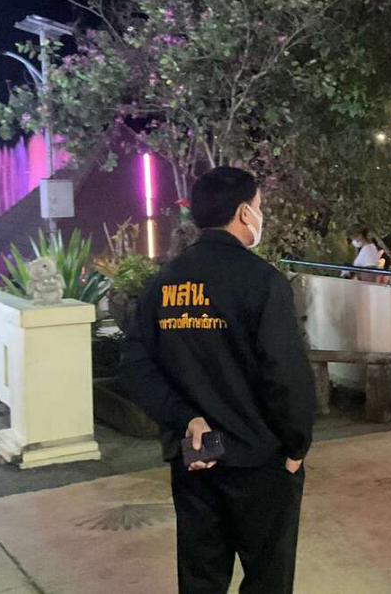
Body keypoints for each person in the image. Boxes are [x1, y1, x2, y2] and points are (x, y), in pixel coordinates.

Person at [119, 166, 316, 594]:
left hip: (195, 458)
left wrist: (185, 418)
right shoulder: (262, 282)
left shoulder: (164, 283)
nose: (260, 215)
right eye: (259, 207)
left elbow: (135, 364)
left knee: (201, 580)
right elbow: (285, 374)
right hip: (259, 459)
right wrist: (296, 447)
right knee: (268, 577)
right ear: (245, 213)